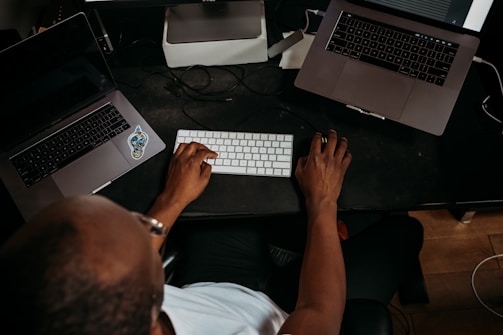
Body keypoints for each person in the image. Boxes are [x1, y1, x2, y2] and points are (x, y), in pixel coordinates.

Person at [0, 129, 423, 335]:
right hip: (292, 312)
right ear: (148, 295)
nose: (151, 229)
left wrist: (171, 199)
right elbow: (319, 313)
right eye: (140, 230)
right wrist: (323, 202)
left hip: (210, 289)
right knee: (404, 232)